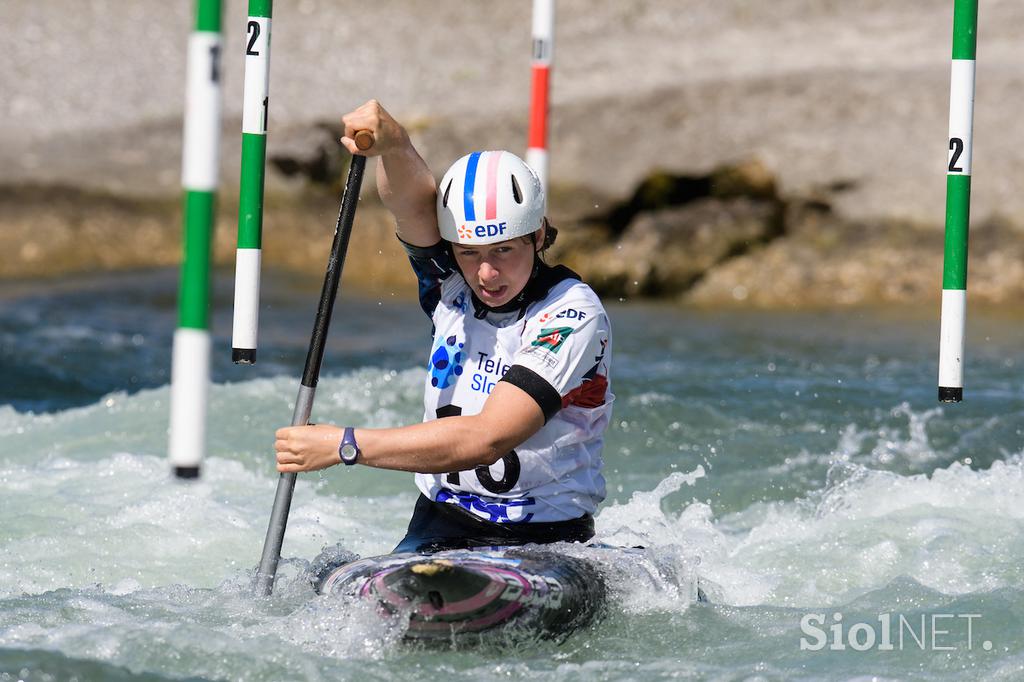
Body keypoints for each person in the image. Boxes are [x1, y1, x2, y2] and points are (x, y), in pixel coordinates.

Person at [274, 100, 613, 554]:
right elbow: (412, 204)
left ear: (537, 235)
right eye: (470, 253)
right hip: (439, 523)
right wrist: (393, 143)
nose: (486, 274)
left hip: (545, 538)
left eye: (504, 251)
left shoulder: (572, 314)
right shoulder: (450, 282)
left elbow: (488, 437)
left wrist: (346, 445)